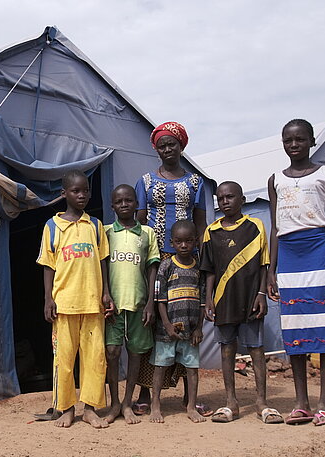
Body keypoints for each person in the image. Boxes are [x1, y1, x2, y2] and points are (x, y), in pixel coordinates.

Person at [267, 119, 325, 426]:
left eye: (300, 139)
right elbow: (275, 228)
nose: (294, 144)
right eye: (288, 140)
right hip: (288, 257)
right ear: (283, 143)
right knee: (295, 330)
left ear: (312, 141)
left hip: (320, 252)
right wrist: (271, 270)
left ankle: (324, 404)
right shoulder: (275, 179)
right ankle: (302, 402)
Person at [134, 121, 209, 416]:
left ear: (181, 146)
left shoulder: (195, 182)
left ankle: (190, 397)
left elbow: (201, 222)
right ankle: (144, 392)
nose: (167, 149)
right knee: (153, 322)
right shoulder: (145, 181)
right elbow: (139, 220)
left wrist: (202, 257)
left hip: (186, 258)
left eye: (172, 144)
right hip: (155, 258)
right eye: (162, 145)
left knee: (187, 319)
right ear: (156, 148)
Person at [37, 170, 115, 428]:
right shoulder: (52, 227)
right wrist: (48, 298)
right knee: (64, 360)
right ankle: (67, 408)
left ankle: (91, 408)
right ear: (64, 194)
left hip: (92, 303)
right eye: (76, 191)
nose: (82, 195)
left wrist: (106, 293)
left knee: (95, 359)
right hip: (64, 304)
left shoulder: (95, 225)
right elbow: (48, 266)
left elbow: (103, 261)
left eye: (85, 191)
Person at [201, 181, 283, 424]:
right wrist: (208, 300)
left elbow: (263, 264)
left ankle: (262, 403)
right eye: (221, 198)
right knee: (227, 349)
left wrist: (261, 294)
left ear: (242, 200)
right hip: (223, 300)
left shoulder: (255, 226)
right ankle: (231, 403)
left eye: (230, 197)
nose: (225, 201)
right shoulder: (211, 231)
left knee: (257, 350)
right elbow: (209, 270)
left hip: (250, 299)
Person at [103, 184, 160, 425]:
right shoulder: (105, 232)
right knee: (112, 352)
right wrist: (106, 294)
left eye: (129, 200)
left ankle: (128, 402)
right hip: (113, 306)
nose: (124, 204)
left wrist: (150, 303)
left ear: (137, 204)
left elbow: (152, 269)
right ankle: (114, 402)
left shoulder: (147, 233)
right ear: (112, 206)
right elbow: (102, 266)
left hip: (138, 304)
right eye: (119, 201)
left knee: (136, 353)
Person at [150, 220, 206, 424]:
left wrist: (199, 327)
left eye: (189, 241)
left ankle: (191, 406)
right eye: (180, 241)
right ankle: (155, 404)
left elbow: (202, 301)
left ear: (196, 242)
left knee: (192, 369)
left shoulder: (199, 267)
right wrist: (166, 324)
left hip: (191, 332)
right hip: (167, 330)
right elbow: (160, 299)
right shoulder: (166, 265)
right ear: (172, 242)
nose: (184, 245)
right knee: (160, 366)